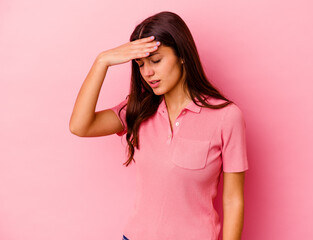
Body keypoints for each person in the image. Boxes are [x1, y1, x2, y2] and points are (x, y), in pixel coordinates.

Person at [69, 11, 248, 240]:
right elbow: (80, 126)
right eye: (141, 64)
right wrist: (102, 61)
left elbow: (233, 200)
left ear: (182, 55)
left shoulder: (227, 116)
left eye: (156, 61)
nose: (147, 73)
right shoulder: (138, 110)